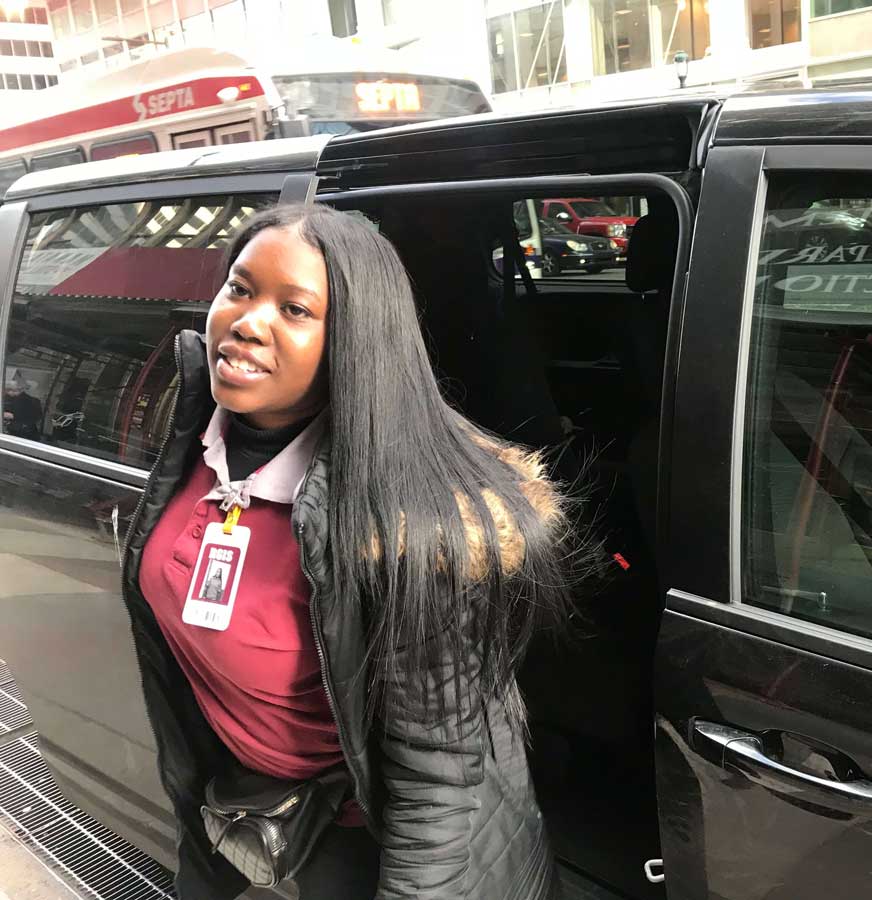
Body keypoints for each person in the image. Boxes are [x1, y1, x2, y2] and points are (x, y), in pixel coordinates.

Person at [120, 204, 570, 899]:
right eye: (239, 289)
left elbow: (437, 776)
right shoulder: (193, 429)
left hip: (355, 836)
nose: (247, 320)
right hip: (230, 798)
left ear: (354, 342)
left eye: (294, 309)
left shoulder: (411, 527)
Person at [2, 373, 43, 440]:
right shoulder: (5, 399)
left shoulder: (33, 402)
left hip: (24, 438)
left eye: (12, 390)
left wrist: (13, 416)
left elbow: (35, 418)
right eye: (8, 390)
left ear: (21, 389)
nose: (9, 392)